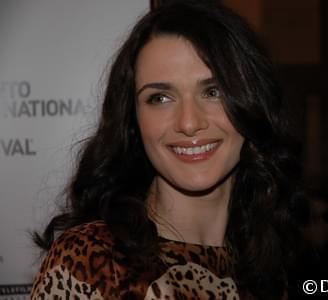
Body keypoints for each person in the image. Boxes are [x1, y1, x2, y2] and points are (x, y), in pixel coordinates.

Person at [30, 0, 306, 299]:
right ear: (132, 120)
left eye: (213, 92)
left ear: (252, 104)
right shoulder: (92, 261)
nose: (189, 123)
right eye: (160, 98)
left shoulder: (272, 268)